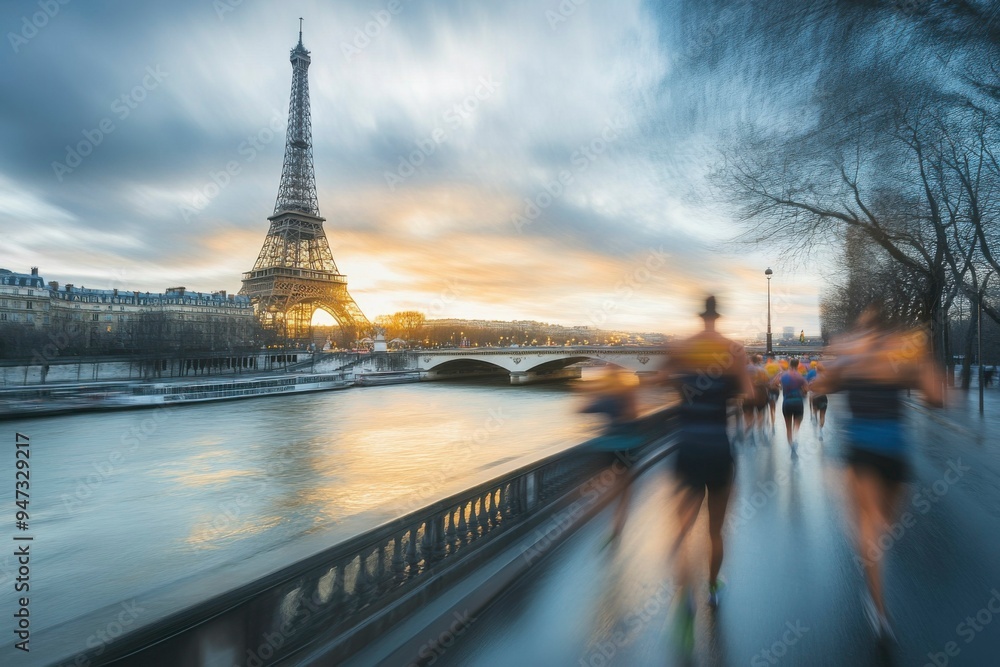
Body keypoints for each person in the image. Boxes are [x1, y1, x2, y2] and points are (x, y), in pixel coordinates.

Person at [810, 306, 942, 642]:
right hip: (896, 451)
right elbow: (937, 397)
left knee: (870, 528)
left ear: (861, 327)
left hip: (861, 450)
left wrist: (835, 365)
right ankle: (878, 598)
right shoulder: (903, 349)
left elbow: (820, 386)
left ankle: (879, 608)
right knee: (883, 527)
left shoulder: (850, 350)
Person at [661, 296, 752, 656]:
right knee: (715, 529)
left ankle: (684, 597)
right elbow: (747, 392)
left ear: (701, 316)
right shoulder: (733, 350)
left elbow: (659, 381)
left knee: (681, 530)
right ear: (719, 316)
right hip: (718, 447)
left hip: (685, 447)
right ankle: (713, 586)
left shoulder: (681, 347)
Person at [578, 366, 642, 545]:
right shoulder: (628, 395)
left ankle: (600, 516)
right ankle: (618, 524)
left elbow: (582, 409)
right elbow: (636, 417)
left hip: (607, 448)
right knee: (624, 488)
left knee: (602, 484)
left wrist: (586, 391)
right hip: (628, 448)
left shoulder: (606, 397)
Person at [772, 358, 808, 454]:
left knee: (788, 427)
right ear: (797, 365)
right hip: (798, 402)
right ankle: (795, 438)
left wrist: (781, 387)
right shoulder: (800, 377)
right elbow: (806, 390)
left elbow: (775, 383)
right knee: (796, 424)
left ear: (789, 364)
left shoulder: (783, 375)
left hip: (786, 402)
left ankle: (791, 445)